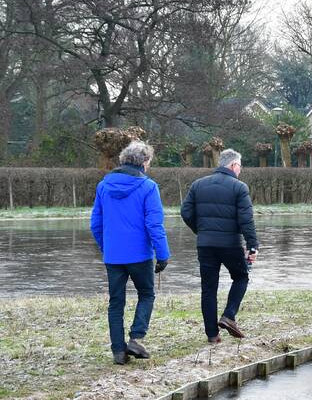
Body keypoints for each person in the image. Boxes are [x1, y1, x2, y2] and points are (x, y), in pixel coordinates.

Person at [90, 140, 171, 365]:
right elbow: (154, 224)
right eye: (149, 162)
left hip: (113, 255)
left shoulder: (103, 185)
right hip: (140, 255)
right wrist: (163, 254)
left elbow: (95, 224)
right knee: (146, 294)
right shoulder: (148, 187)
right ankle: (136, 337)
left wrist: (106, 247)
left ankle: (118, 351)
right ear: (143, 162)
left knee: (116, 302)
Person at [180, 148, 259, 343]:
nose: (240, 170)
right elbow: (246, 220)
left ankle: (212, 335)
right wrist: (252, 245)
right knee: (241, 277)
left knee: (208, 288)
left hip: (205, 244)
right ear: (233, 165)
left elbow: (185, 212)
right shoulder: (239, 187)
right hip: (230, 244)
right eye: (240, 166)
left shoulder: (198, 185)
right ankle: (229, 315)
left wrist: (201, 230)